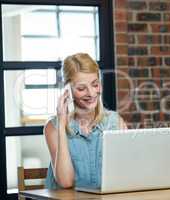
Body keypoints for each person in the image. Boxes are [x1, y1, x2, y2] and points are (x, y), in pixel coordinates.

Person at [43, 53, 127, 189]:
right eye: (81, 88)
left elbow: (126, 173)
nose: (91, 93)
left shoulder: (115, 121)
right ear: (67, 90)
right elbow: (66, 182)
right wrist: (62, 124)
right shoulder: (52, 127)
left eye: (95, 85)